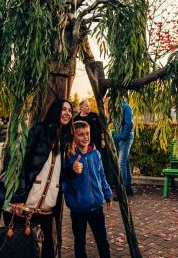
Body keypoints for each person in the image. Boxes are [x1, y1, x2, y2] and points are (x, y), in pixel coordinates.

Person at [8, 98, 73, 258]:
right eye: (64, 109)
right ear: (55, 110)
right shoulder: (38, 131)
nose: (68, 113)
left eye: (70, 110)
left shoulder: (64, 140)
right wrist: (18, 197)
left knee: (47, 251)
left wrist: (72, 171)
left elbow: (58, 174)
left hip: (47, 208)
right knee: (20, 250)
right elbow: (20, 164)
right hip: (26, 205)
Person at [63, 120, 112, 258]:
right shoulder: (69, 157)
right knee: (80, 243)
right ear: (74, 136)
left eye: (87, 134)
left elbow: (101, 175)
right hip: (78, 209)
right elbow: (64, 182)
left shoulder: (95, 154)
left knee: (102, 240)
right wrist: (72, 201)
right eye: (81, 135)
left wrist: (107, 193)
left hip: (96, 206)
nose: (85, 137)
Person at [74, 100, 114, 185]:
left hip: (96, 143)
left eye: (89, 106)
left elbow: (102, 128)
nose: (89, 107)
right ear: (81, 107)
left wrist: (102, 140)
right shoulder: (76, 119)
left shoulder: (94, 115)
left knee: (98, 163)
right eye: (86, 106)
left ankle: (103, 183)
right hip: (82, 146)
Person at [113, 99, 134, 198]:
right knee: (125, 162)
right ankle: (128, 188)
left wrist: (121, 136)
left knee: (121, 164)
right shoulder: (116, 106)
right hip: (120, 138)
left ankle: (122, 191)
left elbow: (129, 124)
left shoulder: (126, 107)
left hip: (125, 137)